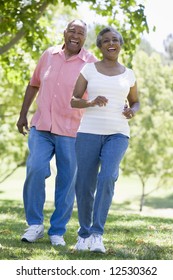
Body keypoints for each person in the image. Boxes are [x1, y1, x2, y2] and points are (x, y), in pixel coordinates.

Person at [16, 19, 97, 246]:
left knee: (67, 181)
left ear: (85, 38)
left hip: (72, 131)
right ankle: (34, 224)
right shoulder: (49, 55)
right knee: (35, 168)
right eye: (72, 30)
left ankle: (57, 231)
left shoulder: (91, 63)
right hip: (41, 126)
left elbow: (98, 95)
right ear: (64, 33)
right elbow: (34, 84)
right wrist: (23, 115)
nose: (75, 35)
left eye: (81, 32)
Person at [71, 26, 140, 253]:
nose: (112, 43)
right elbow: (73, 100)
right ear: (100, 46)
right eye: (106, 41)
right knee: (84, 184)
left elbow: (136, 101)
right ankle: (83, 235)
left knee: (108, 176)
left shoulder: (128, 74)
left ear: (120, 45)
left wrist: (133, 111)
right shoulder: (88, 69)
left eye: (115, 40)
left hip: (118, 133)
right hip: (89, 131)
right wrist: (90, 102)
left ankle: (97, 234)